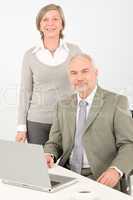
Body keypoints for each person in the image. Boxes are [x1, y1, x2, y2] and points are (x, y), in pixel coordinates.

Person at [43, 53, 133, 192]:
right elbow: (54, 142)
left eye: (85, 71)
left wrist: (116, 170)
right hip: (67, 174)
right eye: (74, 73)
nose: (79, 78)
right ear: (69, 77)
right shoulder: (63, 105)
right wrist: (49, 154)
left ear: (96, 73)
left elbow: (129, 144)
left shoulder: (117, 102)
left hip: (100, 177)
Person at [15, 4, 81, 144]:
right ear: (39, 25)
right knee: (38, 165)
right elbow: (25, 91)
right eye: (45, 19)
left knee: (69, 165)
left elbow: (84, 85)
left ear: (62, 24)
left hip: (68, 121)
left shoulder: (74, 51)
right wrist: (21, 127)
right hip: (37, 123)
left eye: (55, 19)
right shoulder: (30, 55)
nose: (50, 23)